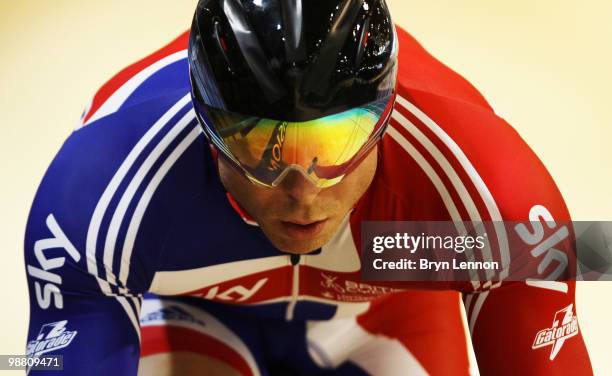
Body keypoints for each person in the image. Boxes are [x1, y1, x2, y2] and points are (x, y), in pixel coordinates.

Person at [24, 0, 593, 375]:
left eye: (336, 144)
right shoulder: (95, 197)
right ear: (206, 125)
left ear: (385, 116)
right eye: (259, 148)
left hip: (386, 319)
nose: (303, 191)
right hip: (195, 320)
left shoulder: (494, 198)